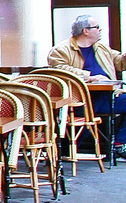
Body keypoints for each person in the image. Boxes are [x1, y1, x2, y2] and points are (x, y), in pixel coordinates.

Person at [47, 14, 126, 158]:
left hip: (107, 97)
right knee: (87, 111)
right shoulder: (61, 50)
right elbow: (58, 70)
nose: (100, 30)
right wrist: (89, 76)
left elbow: (120, 62)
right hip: (78, 100)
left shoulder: (101, 48)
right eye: (97, 27)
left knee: (105, 100)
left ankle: (119, 144)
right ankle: (67, 148)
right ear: (86, 31)